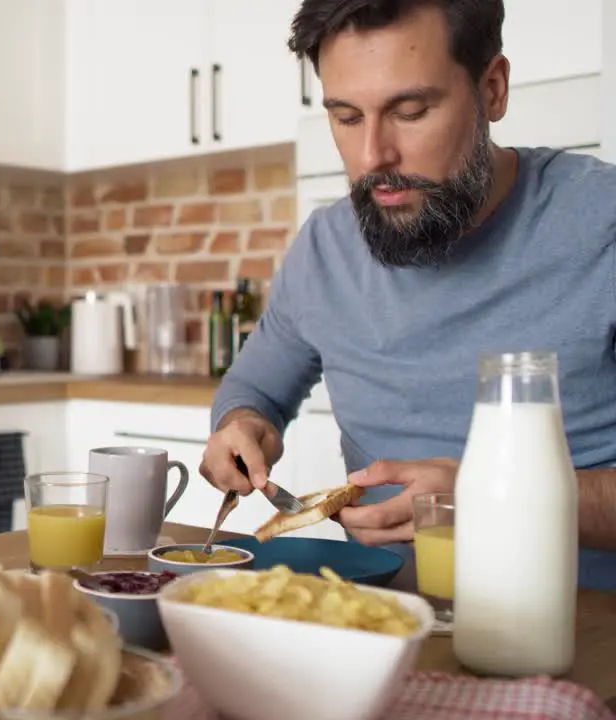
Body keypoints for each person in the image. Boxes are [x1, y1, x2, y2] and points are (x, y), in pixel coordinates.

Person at [198, 0, 616, 590]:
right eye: (345, 117)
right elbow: (255, 390)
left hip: (586, 641)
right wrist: (242, 427)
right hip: (385, 625)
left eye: (411, 111)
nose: (373, 157)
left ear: (492, 90)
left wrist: (497, 495)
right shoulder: (324, 248)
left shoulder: (603, 225)